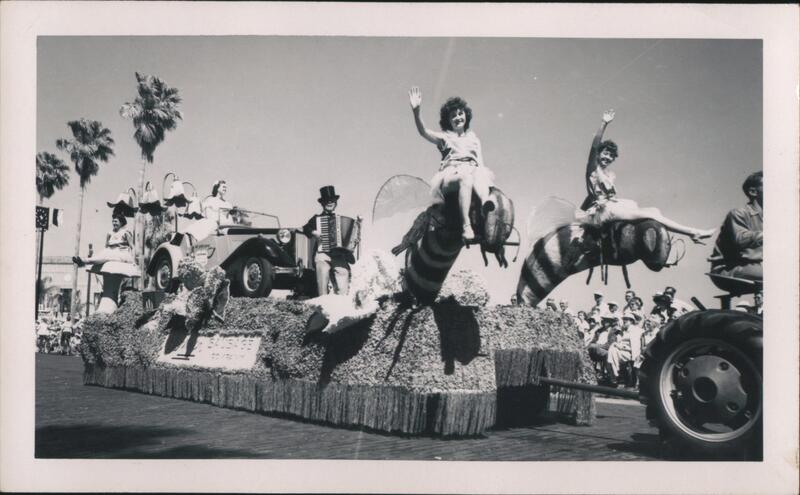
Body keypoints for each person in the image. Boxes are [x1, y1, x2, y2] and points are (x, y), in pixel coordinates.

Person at [576, 110, 715, 244]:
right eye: (606, 153)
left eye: (611, 156)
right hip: (604, 211)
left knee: (654, 210)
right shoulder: (592, 169)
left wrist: (581, 211)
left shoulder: (608, 175)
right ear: (599, 154)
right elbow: (594, 146)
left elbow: (589, 196)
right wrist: (604, 123)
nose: (608, 157)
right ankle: (693, 232)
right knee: (652, 215)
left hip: (610, 206)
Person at [408, 86, 496, 242]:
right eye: (453, 115)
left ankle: (485, 203)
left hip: (472, 170)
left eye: (460, 113)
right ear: (448, 120)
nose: (458, 117)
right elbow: (424, 132)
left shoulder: (474, 140)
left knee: (479, 174)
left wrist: (485, 181)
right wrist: (416, 111)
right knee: (466, 178)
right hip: (452, 174)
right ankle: (466, 227)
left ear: (466, 116)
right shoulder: (444, 138)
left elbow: (480, 164)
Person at [709, 171, 763, 283]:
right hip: (727, 271)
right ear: (753, 191)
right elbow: (741, 239)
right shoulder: (738, 213)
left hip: (755, 267)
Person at [303, 185, 353, 296]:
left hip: (339, 255)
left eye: (333, 200)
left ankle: (341, 306)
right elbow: (306, 228)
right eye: (327, 200)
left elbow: (352, 237)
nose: (330, 202)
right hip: (323, 253)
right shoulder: (317, 219)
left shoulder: (341, 219)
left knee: (343, 281)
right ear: (322, 203)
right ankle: (323, 304)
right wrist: (314, 232)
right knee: (322, 274)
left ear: (336, 203)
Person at [607, 311, 644, 386]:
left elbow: (634, 347)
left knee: (612, 351)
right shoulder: (622, 331)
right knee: (612, 349)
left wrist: (620, 347)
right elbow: (615, 341)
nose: (624, 321)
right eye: (624, 319)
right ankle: (616, 373)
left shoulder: (636, 331)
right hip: (621, 352)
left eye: (626, 320)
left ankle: (615, 375)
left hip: (630, 353)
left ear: (631, 321)